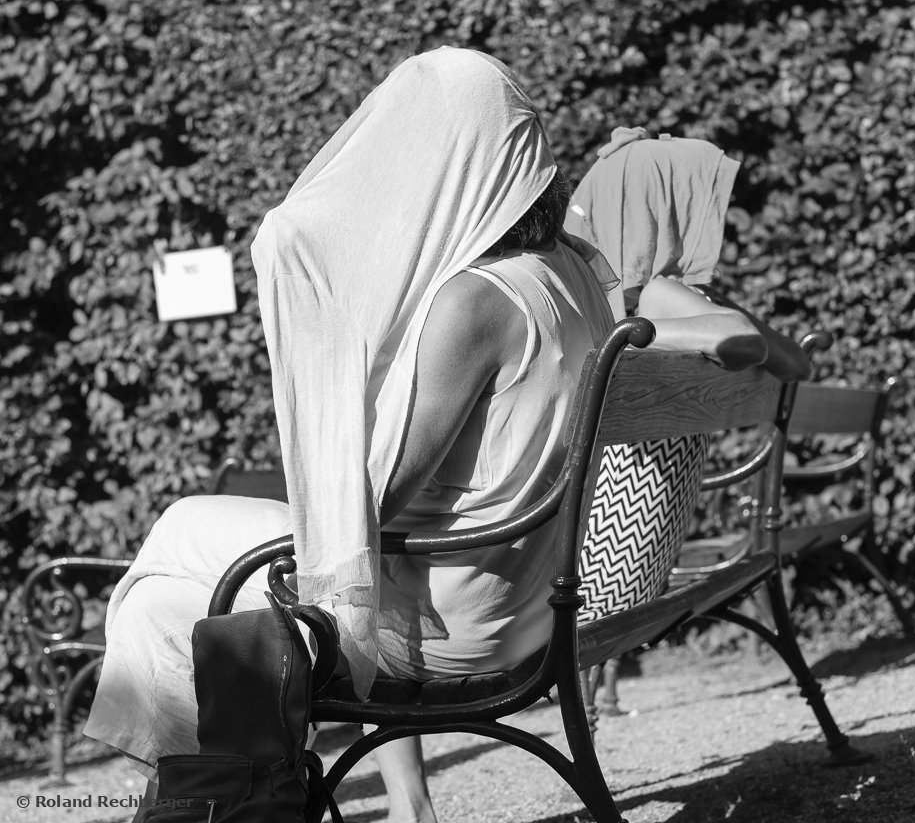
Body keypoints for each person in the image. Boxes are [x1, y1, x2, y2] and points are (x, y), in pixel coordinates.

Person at [83, 47, 616, 823]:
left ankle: (213, 806)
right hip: (529, 598)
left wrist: (331, 372)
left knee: (168, 567)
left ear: (449, 164)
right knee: (170, 583)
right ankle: (229, 802)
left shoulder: (475, 302)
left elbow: (375, 500)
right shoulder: (573, 271)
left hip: (447, 621)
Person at [562, 126, 810, 624]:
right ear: (663, 209)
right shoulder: (661, 298)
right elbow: (789, 360)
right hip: (627, 572)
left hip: (581, 575)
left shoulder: (584, 303)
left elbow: (758, 346)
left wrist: (621, 335)